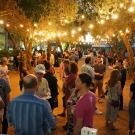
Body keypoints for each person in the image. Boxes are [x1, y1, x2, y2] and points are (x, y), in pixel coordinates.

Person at [62, 62, 78, 130]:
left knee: (69, 110)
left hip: (69, 94)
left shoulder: (71, 75)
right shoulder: (76, 74)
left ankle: (68, 124)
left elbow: (64, 84)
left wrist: (64, 80)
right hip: (74, 94)